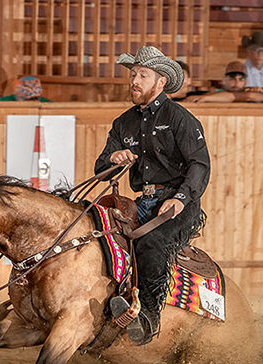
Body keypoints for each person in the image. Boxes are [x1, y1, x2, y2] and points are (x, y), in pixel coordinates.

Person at [94, 46, 210, 344]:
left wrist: (181, 198)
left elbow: (200, 164)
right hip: (143, 201)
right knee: (96, 233)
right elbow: (101, 167)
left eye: (142, 75)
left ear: (160, 82)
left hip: (179, 203)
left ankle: (147, 319)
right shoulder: (123, 123)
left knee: (153, 242)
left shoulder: (180, 119)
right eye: (133, 74)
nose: (134, 80)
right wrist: (113, 159)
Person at [185, 61, 263, 109]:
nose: (236, 82)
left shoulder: (252, 92)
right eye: (232, 78)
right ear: (224, 80)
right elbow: (247, 96)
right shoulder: (215, 93)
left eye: (240, 79)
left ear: (246, 82)